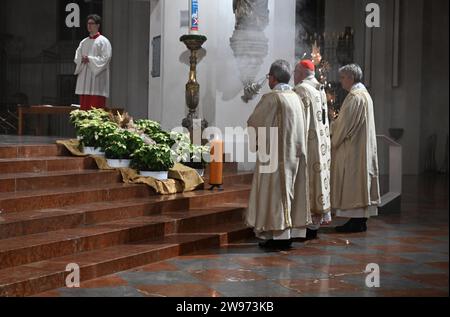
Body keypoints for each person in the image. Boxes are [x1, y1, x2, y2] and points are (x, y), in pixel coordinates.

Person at [245, 60, 310, 250]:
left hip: (275, 156)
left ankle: (279, 237)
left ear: (272, 78)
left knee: (275, 195)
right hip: (295, 154)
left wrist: (255, 143)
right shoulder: (296, 97)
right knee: (290, 192)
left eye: (269, 77)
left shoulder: (272, 99)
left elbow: (254, 122)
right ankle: (287, 234)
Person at [331, 64, 381, 233]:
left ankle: (356, 220)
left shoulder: (355, 97)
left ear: (351, 78)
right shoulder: (365, 95)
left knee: (354, 183)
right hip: (361, 147)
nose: (341, 81)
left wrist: (331, 133)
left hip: (354, 149)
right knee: (360, 184)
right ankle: (359, 220)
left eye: (343, 77)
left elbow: (344, 125)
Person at [294, 59, 332, 240]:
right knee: (318, 182)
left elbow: (296, 121)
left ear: (301, 73)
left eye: (295, 72)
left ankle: (305, 224)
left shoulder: (301, 90)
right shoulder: (320, 88)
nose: (294, 76)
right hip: (321, 147)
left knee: (307, 182)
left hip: (308, 147)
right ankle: (314, 226)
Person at [74, 14, 112, 111]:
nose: (89, 26)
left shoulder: (104, 41)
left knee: (96, 110)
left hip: (97, 81)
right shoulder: (84, 42)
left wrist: (90, 59)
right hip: (85, 80)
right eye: (88, 23)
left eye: (92, 23)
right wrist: (81, 59)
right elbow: (77, 57)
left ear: (98, 25)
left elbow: (106, 58)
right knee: (84, 111)